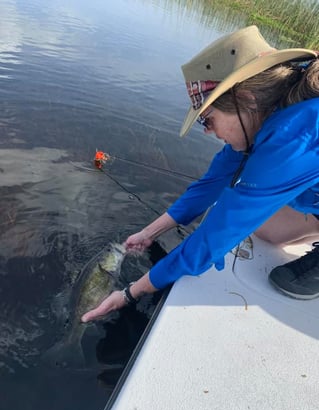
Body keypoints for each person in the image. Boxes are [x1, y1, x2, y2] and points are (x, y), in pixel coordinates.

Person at [81, 25, 319, 323]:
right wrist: (147, 234)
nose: (208, 132)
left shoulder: (293, 137)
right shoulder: (265, 115)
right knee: (266, 228)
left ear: (245, 98)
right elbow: (210, 184)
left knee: (268, 258)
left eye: (208, 120)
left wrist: (130, 292)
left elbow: (211, 242)